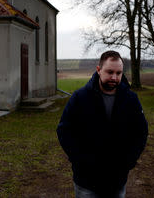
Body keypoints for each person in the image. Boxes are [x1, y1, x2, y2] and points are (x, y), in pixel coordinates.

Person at [57, 51, 148, 198]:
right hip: (86, 181)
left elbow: (141, 132)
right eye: (110, 72)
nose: (114, 77)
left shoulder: (130, 99)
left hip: (117, 180)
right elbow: (64, 131)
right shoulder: (80, 98)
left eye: (119, 73)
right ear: (98, 70)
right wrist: (79, 161)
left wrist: (128, 162)